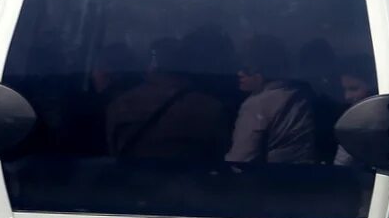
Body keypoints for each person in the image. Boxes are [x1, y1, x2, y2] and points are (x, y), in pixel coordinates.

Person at [105, 38, 229, 160]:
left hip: (130, 179)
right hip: (193, 179)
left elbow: (114, 152)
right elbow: (221, 156)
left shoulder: (122, 105)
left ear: (151, 65)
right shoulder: (210, 107)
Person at [226, 35, 318, 164]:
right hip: (306, 176)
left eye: (247, 68)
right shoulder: (301, 94)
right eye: (239, 66)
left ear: (264, 69)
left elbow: (241, 158)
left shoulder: (257, 104)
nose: (239, 73)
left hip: (270, 179)